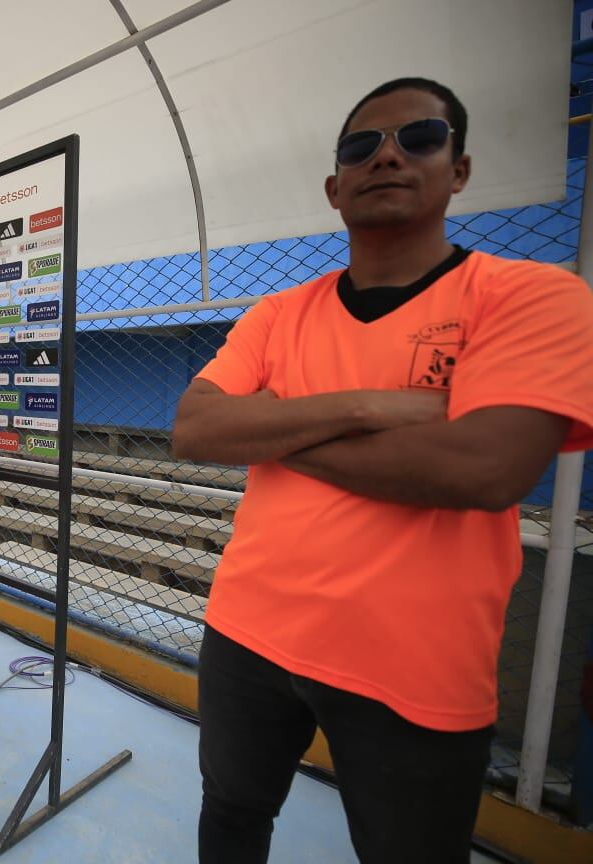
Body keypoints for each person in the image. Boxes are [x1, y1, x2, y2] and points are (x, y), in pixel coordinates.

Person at [171, 78, 593, 864]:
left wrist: (273, 429)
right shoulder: (278, 312)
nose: (388, 156)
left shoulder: (531, 295)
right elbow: (195, 430)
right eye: (362, 147)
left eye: (419, 138)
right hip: (248, 629)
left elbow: (484, 468)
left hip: (416, 663)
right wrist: (372, 405)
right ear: (336, 188)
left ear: (459, 169)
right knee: (230, 813)